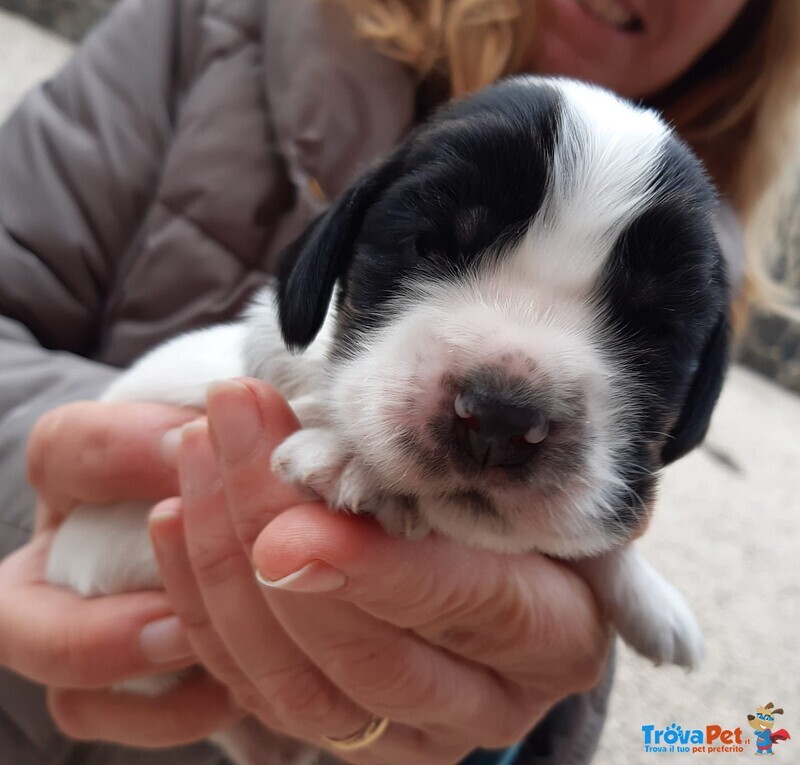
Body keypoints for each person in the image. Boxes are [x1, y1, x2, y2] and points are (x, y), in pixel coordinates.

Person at [0, 1, 797, 763]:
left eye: (643, 334)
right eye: (430, 248)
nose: (506, 411)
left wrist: (520, 706)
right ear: (333, 251)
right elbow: (267, 347)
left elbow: (541, 563)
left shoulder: (699, 243)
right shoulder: (210, 28)